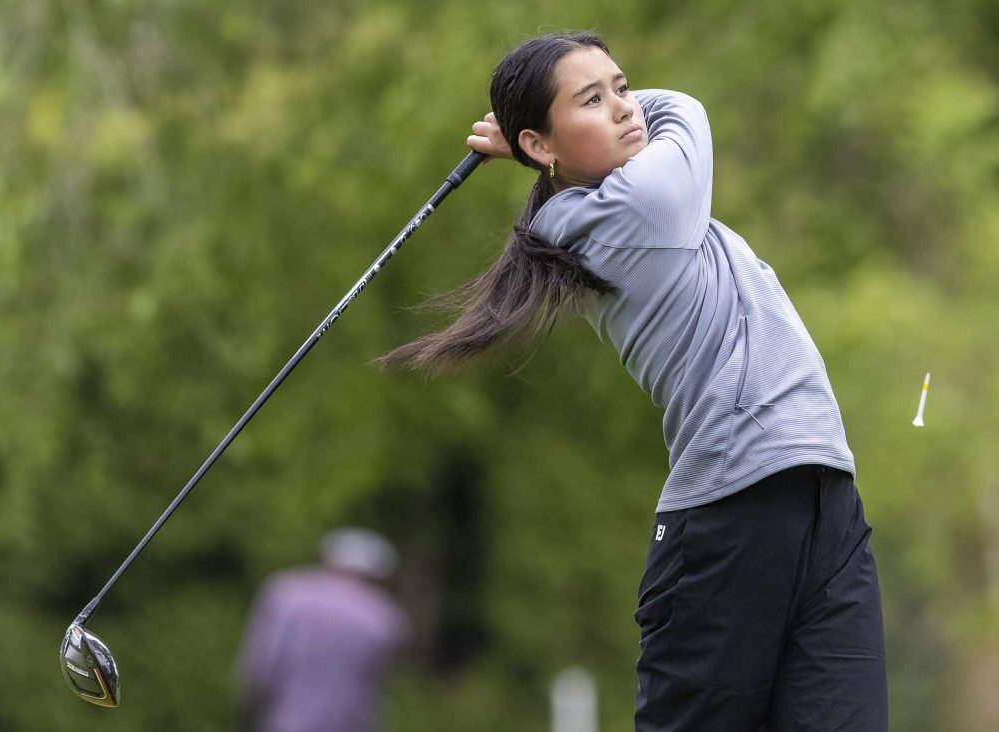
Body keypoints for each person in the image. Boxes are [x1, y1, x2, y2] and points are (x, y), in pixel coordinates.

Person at [382, 32, 887, 731]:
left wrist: (553, 130)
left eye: (622, 87)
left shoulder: (616, 199)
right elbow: (687, 109)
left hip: (823, 500)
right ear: (539, 145)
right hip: (729, 521)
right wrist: (538, 136)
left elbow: (640, 122)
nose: (625, 108)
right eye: (593, 98)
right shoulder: (636, 209)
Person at [235, 528, 409, 732]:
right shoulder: (384, 617)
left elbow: (261, 666)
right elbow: (378, 683)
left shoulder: (286, 593)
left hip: (283, 722)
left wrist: (245, 711)